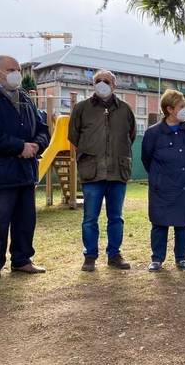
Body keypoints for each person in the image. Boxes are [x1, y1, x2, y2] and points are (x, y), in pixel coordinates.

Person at [0, 55, 50, 280]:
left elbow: (43, 128)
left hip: (25, 171)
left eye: (18, 69)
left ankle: (22, 259)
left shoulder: (24, 97)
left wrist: (36, 145)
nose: (17, 73)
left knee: (26, 220)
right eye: (11, 69)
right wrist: (18, 147)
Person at [68, 70, 136, 272]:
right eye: (98, 81)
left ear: (114, 85)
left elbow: (130, 135)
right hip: (92, 172)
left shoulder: (125, 109)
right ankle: (90, 256)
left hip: (117, 172)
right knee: (90, 218)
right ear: (93, 85)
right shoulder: (81, 109)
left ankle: (114, 255)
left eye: (107, 81)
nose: (102, 84)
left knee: (116, 217)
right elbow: (73, 135)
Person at [142, 90, 185, 271]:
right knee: (160, 223)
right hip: (163, 186)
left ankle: (181, 258)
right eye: (181, 106)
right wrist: (159, 178)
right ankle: (157, 259)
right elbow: (147, 159)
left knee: (182, 223)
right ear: (169, 109)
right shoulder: (153, 133)